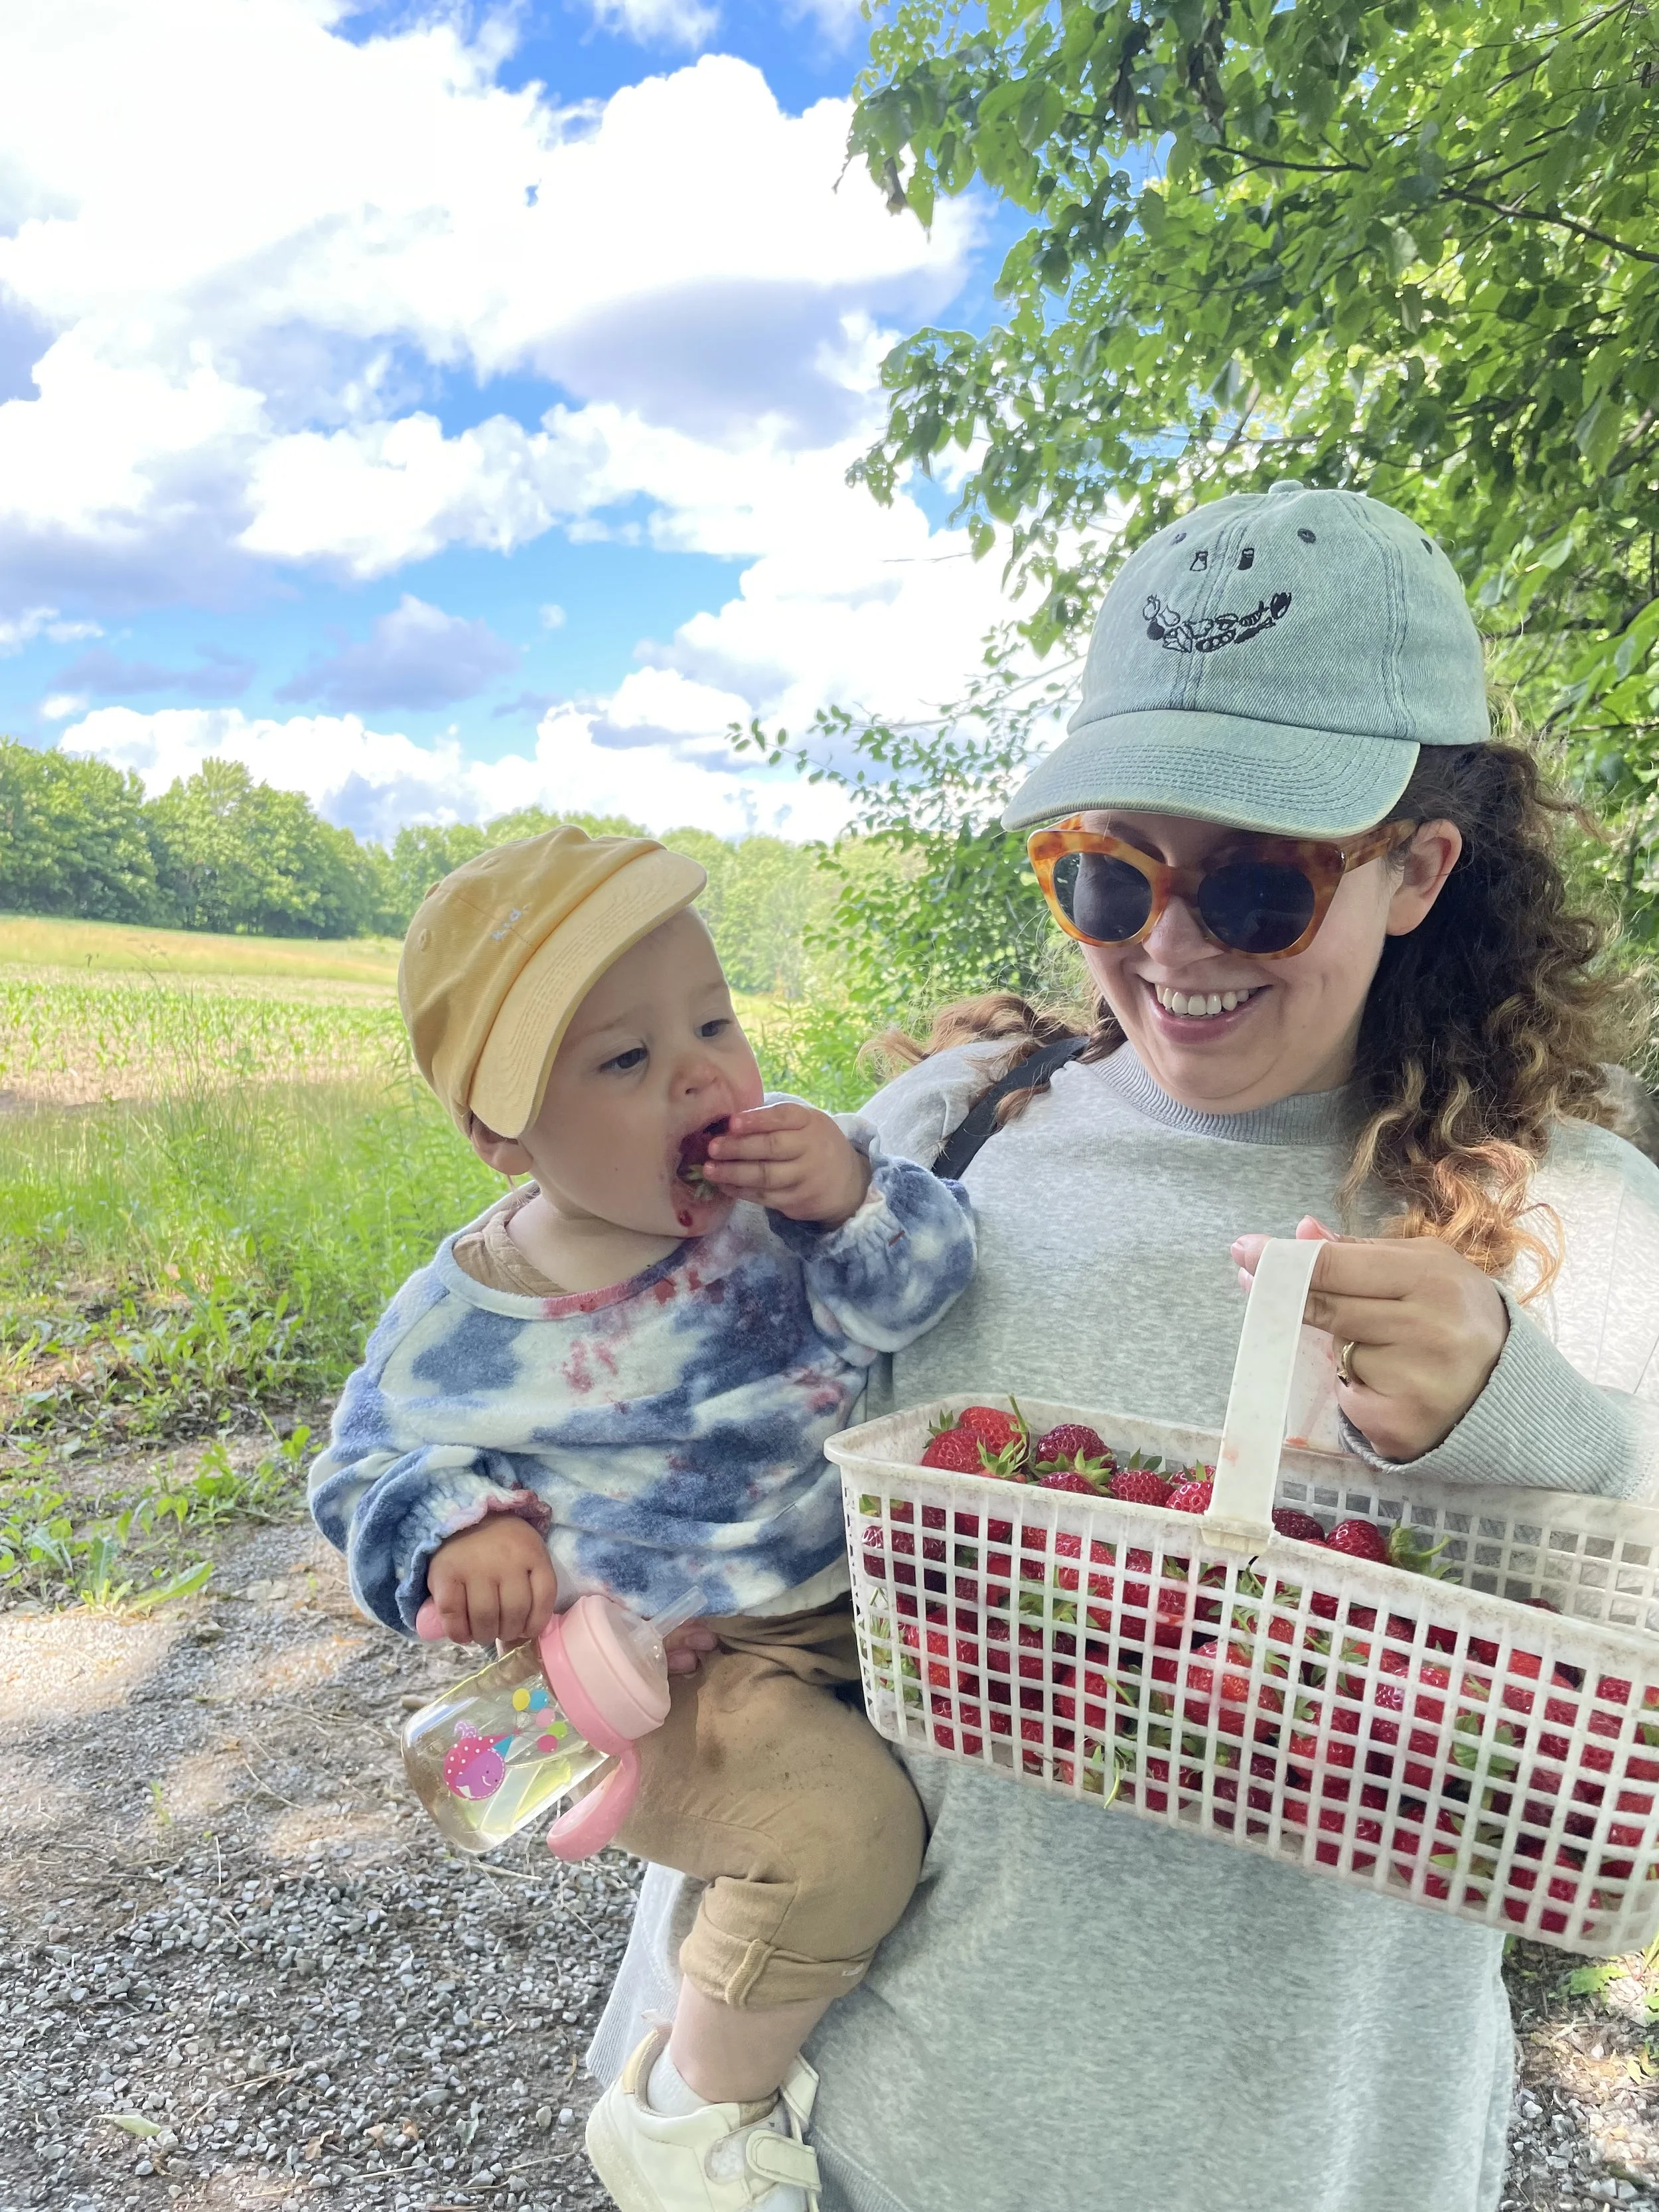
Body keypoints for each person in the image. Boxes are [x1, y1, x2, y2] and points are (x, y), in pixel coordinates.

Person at [593, 480, 1659, 2212]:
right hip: (892, 2145)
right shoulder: (935, 1141)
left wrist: (1521, 1421)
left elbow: (1627, 1809)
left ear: (1415, 868)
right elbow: (703, 1513)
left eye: (1252, 888)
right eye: (1108, 869)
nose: (1164, 944)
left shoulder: (1580, 1230)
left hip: (1325, 2157)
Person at [308, 825, 977, 2212]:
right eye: (623, 1060)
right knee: (844, 1838)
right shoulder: (463, 1325)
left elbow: (917, 1292)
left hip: (852, 1606)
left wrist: (856, 1197)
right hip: (666, 1678)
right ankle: (682, 2122)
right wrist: (459, 1529)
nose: (700, 1072)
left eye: (714, 1018)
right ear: (502, 1131)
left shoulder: (777, 1199)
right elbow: (361, 1470)